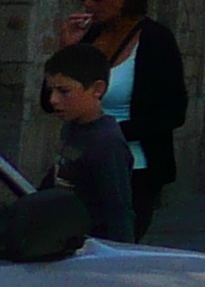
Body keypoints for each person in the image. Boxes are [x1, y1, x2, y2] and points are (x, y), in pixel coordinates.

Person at [57, 0, 186, 237]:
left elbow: (173, 112)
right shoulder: (88, 37)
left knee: (115, 250)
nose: (88, 4)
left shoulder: (155, 40)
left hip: (132, 171)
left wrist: (109, 133)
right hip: (80, 165)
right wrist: (68, 52)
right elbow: (51, 101)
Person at [39, 43, 134, 243]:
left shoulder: (107, 144)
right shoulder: (71, 127)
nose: (54, 100)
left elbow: (118, 211)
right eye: (51, 91)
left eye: (64, 91)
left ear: (97, 89)